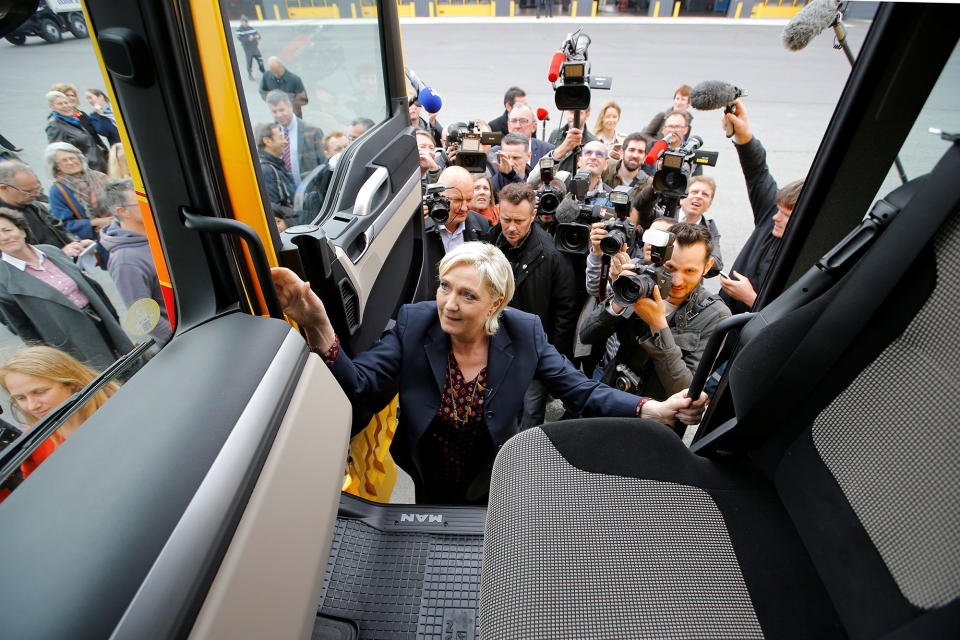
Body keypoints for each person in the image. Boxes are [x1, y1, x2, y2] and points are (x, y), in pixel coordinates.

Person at [271, 241, 707, 503]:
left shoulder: (524, 333)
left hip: (492, 471)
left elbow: (580, 391)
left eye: (467, 295)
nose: (449, 304)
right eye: (444, 287)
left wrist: (653, 408)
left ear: (496, 304)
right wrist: (319, 326)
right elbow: (362, 385)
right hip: (427, 469)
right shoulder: (413, 323)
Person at [580, 223, 730, 434]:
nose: (677, 281)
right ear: (658, 258)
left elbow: (686, 392)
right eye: (670, 268)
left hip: (656, 427)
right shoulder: (641, 280)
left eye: (690, 271)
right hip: (613, 399)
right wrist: (620, 298)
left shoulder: (715, 315)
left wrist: (658, 324)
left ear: (707, 266)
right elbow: (586, 335)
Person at [0, 208, 134, 370]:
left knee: (130, 363)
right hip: (69, 342)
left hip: (100, 320)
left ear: (22, 230)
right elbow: (22, 328)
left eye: (7, 230)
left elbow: (89, 286)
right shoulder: (4, 279)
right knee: (105, 380)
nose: (4, 237)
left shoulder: (51, 251)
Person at [489, 183, 577, 428]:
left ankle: (524, 463)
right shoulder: (493, 241)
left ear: (533, 216)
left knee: (529, 418)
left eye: (519, 220)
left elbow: (565, 313)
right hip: (498, 346)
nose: (511, 227)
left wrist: (550, 359)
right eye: (506, 219)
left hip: (534, 354)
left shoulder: (552, 255)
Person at [0, 346, 120, 501]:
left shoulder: (119, 407)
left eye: (40, 392)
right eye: (20, 398)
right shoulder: (32, 442)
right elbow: (39, 495)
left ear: (71, 383)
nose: (31, 406)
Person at [720, 98, 804, 315]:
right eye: (778, 210)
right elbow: (757, 173)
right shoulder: (770, 213)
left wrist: (751, 299)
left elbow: (791, 316)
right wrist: (743, 134)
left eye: (785, 215)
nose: (775, 217)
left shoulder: (807, 254)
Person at [97, 179, 173, 347]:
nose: (150, 204)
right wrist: (177, 338)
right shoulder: (125, 262)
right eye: (140, 202)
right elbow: (143, 317)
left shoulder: (158, 232)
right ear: (123, 211)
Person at [421, 166, 489, 299]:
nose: (464, 208)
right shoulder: (421, 226)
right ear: (438, 196)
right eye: (457, 200)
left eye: (469, 200)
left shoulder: (481, 224)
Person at [0, 160, 91, 255]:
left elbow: (59, 230)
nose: (37, 194)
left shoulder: (34, 204)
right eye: (28, 191)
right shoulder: (3, 221)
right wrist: (59, 256)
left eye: (38, 188)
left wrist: (77, 244)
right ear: (4, 188)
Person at [45, 142, 114, 254]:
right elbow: (64, 224)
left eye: (72, 157)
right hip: (100, 241)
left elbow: (122, 200)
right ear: (56, 166)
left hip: (123, 228)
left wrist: (114, 219)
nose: (71, 162)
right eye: (64, 160)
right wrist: (94, 222)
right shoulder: (57, 191)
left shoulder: (99, 176)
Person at [265, 90, 325, 185]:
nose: (279, 115)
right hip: (288, 194)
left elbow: (323, 165)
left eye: (281, 110)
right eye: (274, 111)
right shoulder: (272, 135)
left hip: (310, 191)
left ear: (290, 106)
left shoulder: (312, 131)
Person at [44, 91, 108, 173]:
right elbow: (59, 153)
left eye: (66, 102)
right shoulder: (54, 126)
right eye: (60, 104)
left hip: (99, 165)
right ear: (51, 107)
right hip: (87, 170)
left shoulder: (73, 118)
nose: (65, 106)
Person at [488, 104, 554, 168]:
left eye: (523, 121)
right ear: (508, 126)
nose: (517, 126)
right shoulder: (493, 154)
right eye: (513, 121)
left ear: (534, 127)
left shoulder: (548, 152)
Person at [254, 122, 296, 211]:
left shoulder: (275, 165)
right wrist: (303, 214)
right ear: (267, 141)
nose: (285, 141)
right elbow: (274, 209)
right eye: (281, 137)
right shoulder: (266, 170)